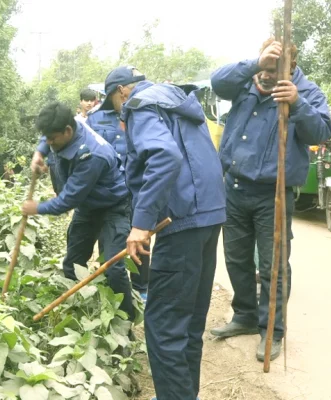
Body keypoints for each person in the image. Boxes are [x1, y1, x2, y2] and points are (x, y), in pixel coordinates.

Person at [101, 66, 226, 400]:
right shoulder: (178, 99)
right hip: (209, 216)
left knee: (162, 326)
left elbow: (164, 156)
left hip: (182, 221)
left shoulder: (140, 105)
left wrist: (140, 224)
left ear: (123, 91)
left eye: (113, 103)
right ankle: (184, 394)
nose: (117, 112)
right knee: (188, 323)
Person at [209, 38, 331, 362]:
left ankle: (273, 331)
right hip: (235, 188)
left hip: (273, 194)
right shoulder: (247, 80)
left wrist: (297, 104)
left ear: (291, 68)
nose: (267, 75)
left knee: (273, 266)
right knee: (236, 258)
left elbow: (321, 133)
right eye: (265, 66)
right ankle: (246, 316)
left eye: (275, 69)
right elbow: (217, 82)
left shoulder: (306, 91)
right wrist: (256, 63)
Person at [24, 102, 135, 321]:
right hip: (89, 206)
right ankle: (78, 310)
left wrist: (36, 207)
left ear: (67, 131)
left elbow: (67, 201)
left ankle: (125, 320)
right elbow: (48, 138)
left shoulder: (92, 155)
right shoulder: (68, 127)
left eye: (52, 139)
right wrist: (40, 153)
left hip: (114, 206)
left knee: (112, 265)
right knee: (72, 263)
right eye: (47, 138)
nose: (49, 142)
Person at [86, 96, 150, 301]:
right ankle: (112, 288)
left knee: (140, 235)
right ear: (118, 90)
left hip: (137, 187)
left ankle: (141, 288)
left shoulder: (141, 112)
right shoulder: (95, 119)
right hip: (111, 192)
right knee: (109, 238)